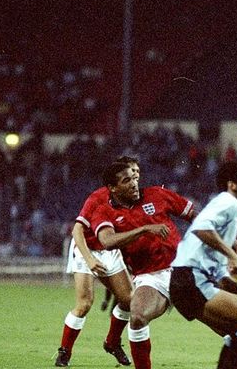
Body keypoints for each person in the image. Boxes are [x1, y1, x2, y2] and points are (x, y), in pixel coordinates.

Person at [89, 160, 195, 369]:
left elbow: (193, 215)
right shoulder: (104, 212)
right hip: (151, 277)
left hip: (185, 270)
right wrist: (145, 229)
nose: (134, 183)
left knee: (229, 322)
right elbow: (108, 241)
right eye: (126, 180)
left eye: (135, 177)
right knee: (137, 317)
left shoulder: (157, 194)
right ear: (112, 188)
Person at [169, 161, 237, 369]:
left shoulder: (229, 214)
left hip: (185, 283)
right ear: (233, 185)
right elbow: (201, 228)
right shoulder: (228, 201)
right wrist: (234, 254)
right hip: (191, 279)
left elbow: (220, 275)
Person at [54, 157, 140, 367]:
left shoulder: (136, 198)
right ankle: (64, 352)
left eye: (138, 172)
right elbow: (77, 230)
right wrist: (90, 260)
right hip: (87, 249)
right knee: (84, 304)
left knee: (129, 301)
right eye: (131, 173)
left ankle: (112, 342)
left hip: (110, 251)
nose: (136, 176)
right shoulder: (98, 198)